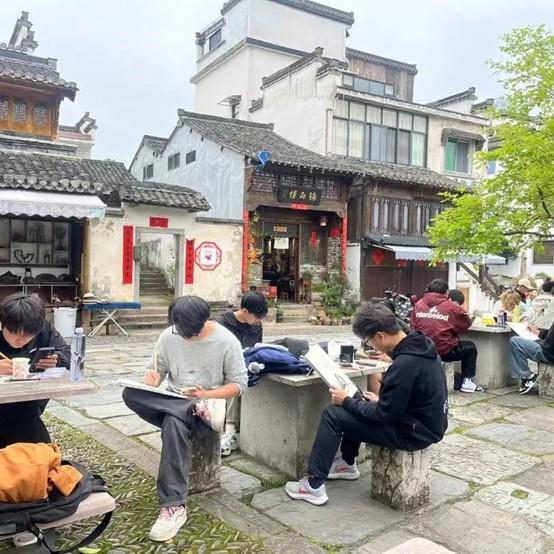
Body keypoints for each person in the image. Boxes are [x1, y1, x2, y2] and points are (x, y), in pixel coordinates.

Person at [284, 303, 447, 506]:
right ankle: (347, 463)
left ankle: (313, 484)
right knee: (359, 402)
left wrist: (346, 401)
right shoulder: (422, 346)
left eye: (369, 342)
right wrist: (377, 401)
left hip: (413, 434)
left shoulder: (405, 364)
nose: (371, 347)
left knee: (334, 414)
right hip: (423, 424)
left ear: (380, 336)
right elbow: (411, 397)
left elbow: (382, 416)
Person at [122, 296, 247, 542]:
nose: (186, 337)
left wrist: (206, 395)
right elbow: (156, 371)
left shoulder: (226, 341)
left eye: (192, 332)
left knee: (173, 424)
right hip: (178, 402)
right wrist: (152, 379)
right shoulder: (169, 336)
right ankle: (190, 407)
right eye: (181, 331)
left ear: (204, 320)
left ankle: (173, 507)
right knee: (130, 393)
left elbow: (239, 385)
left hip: (209, 414)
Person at [0, 293, 70, 448]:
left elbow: (67, 354)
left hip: (29, 402)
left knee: (36, 443)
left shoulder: (41, 327)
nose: (19, 340)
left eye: (27, 336)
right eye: (13, 333)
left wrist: (56, 360)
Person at [216, 292, 268, 456]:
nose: (259, 320)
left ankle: (247, 428)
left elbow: (257, 348)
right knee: (235, 381)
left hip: (247, 366)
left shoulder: (256, 325)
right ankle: (229, 431)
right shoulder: (223, 323)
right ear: (245, 311)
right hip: (224, 369)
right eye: (257, 316)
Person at [412, 279, 483, 393]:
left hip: (422, 348)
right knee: (470, 347)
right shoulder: (452, 306)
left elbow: (414, 325)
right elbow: (465, 324)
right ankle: (468, 383)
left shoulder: (418, 304)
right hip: (444, 351)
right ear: (446, 292)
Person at [509, 319, 554, 394]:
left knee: (515, 341)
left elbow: (549, 343)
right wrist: (538, 332)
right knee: (524, 341)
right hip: (548, 350)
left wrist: (536, 339)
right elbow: (551, 335)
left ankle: (526, 377)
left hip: (548, 353)